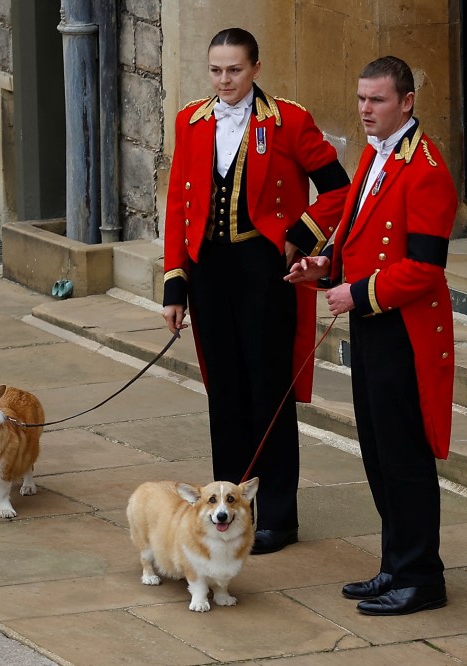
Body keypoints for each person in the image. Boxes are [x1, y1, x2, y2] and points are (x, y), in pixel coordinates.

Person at [161, 28, 350, 554]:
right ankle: (228, 512)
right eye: (216, 70)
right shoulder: (190, 121)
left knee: (269, 394)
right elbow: (178, 204)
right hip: (210, 274)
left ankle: (279, 518)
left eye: (235, 70)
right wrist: (175, 284)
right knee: (223, 393)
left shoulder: (289, 120)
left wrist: (301, 236)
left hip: (265, 272)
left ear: (256, 69)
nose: (224, 81)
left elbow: (339, 187)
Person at [286, 56, 458, 614]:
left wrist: (357, 294)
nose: (365, 110)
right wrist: (324, 268)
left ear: (406, 102)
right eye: (361, 99)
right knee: (378, 452)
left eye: (377, 100)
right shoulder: (373, 155)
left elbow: (425, 268)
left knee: (404, 455)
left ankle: (421, 577)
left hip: (405, 332)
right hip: (373, 326)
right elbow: (356, 238)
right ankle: (395, 564)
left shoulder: (426, 168)